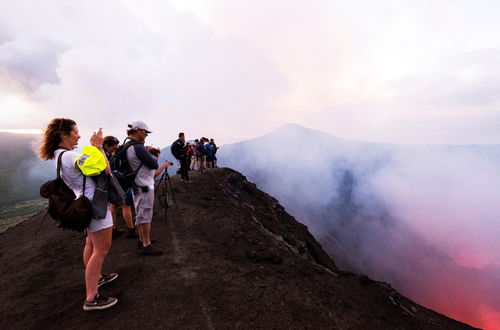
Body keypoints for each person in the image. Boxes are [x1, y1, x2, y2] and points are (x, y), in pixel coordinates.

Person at [38, 118, 118, 311]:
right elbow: (105, 169)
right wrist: (98, 148)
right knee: (102, 249)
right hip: (95, 204)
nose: (78, 135)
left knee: (91, 243)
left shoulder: (59, 155)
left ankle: (97, 279)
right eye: (75, 132)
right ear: (63, 134)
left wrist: (93, 148)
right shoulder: (69, 156)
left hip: (85, 201)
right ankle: (91, 297)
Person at [126, 121, 163, 255]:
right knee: (145, 214)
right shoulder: (138, 147)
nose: (147, 135)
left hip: (136, 185)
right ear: (139, 131)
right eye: (146, 132)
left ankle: (142, 240)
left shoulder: (128, 145)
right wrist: (151, 154)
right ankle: (147, 245)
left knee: (140, 214)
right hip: (144, 185)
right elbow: (153, 164)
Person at [103, 136, 136, 238]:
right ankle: (131, 230)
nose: (115, 149)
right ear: (106, 146)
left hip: (110, 182)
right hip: (118, 182)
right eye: (113, 148)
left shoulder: (105, 153)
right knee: (126, 205)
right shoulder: (103, 154)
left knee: (113, 205)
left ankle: (113, 229)